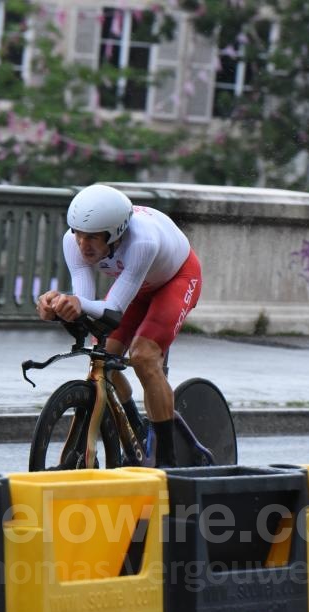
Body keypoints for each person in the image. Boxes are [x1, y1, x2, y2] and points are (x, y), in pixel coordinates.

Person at [36, 184, 201, 468]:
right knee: (103, 354)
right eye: (78, 235)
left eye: (92, 238)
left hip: (176, 279)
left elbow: (112, 310)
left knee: (144, 357)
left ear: (115, 234)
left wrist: (74, 302)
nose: (82, 245)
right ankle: (135, 425)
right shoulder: (72, 242)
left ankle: (168, 463)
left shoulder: (141, 242)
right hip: (137, 286)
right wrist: (57, 308)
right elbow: (86, 303)